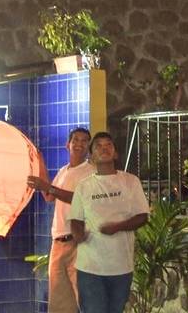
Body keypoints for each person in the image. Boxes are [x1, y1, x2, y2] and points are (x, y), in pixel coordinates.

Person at [69, 132, 149, 313]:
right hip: (90, 268)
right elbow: (75, 219)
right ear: (91, 156)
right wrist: (78, 234)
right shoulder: (83, 186)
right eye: (98, 146)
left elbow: (142, 216)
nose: (104, 149)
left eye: (108, 145)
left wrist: (118, 227)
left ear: (115, 153)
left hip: (121, 266)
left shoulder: (130, 182)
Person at [27, 127, 96, 313]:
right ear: (68, 144)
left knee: (85, 299)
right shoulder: (64, 171)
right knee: (59, 304)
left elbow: (80, 199)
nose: (79, 144)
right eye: (76, 140)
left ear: (88, 147)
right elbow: (49, 197)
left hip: (79, 243)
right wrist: (40, 167)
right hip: (58, 243)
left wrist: (48, 187)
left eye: (84, 141)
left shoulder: (91, 172)